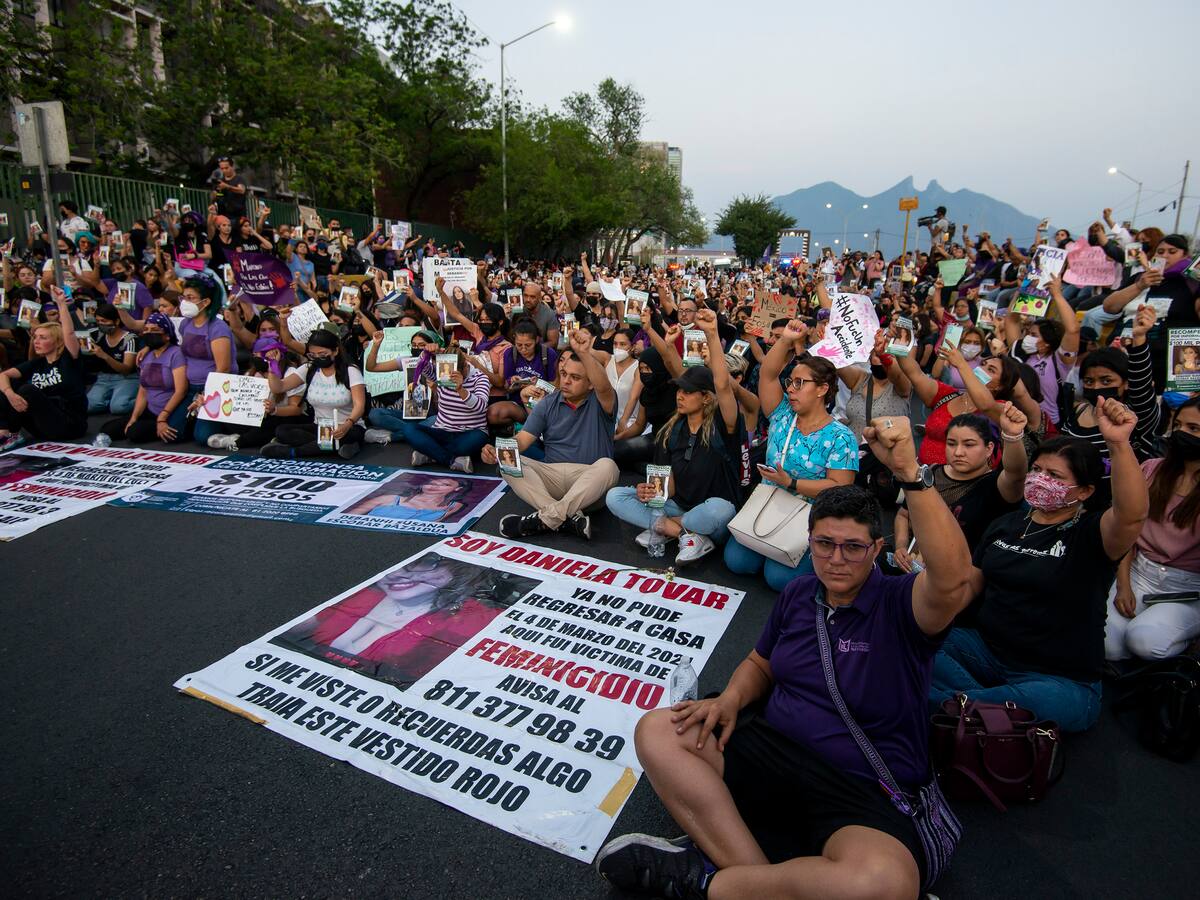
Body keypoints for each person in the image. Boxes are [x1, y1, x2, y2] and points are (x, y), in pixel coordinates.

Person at [596, 421, 975, 900]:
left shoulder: (902, 605)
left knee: (882, 884)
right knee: (657, 730)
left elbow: (952, 578)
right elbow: (760, 662)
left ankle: (711, 880)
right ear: (809, 541)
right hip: (772, 748)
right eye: (824, 544)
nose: (837, 559)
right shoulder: (799, 593)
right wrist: (730, 700)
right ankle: (760, 881)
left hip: (860, 784)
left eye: (853, 547)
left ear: (876, 550)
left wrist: (910, 475)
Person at [930, 400, 1149, 731]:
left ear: (1086, 490)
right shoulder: (1006, 524)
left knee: (1037, 700)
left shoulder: (1091, 535)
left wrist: (1118, 443)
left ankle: (955, 704)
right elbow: (968, 585)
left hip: (1057, 678)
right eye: (1037, 470)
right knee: (914, 643)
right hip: (984, 652)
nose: (1040, 479)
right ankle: (980, 707)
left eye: (1055, 475)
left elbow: (1132, 514)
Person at [724, 319, 859, 591]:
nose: (791, 389)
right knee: (737, 562)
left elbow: (839, 489)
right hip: (768, 504)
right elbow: (768, 375)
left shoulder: (841, 437)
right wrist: (786, 339)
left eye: (800, 383)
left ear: (822, 389)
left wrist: (792, 483)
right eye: (791, 382)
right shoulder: (783, 413)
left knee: (779, 579)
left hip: (809, 515)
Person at [605, 309, 743, 566]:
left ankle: (667, 528)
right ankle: (681, 534)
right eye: (679, 390)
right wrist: (649, 492)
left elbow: (722, 385)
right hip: (678, 506)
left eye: (688, 392)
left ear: (706, 397)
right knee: (616, 497)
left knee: (718, 510)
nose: (680, 396)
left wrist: (712, 334)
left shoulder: (724, 425)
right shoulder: (672, 430)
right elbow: (668, 488)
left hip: (711, 511)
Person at [481, 329, 619, 539]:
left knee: (609, 467)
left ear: (590, 383)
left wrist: (584, 353)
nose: (566, 381)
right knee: (508, 462)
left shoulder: (601, 401)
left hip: (589, 483)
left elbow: (604, 385)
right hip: (552, 475)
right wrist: (496, 451)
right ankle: (563, 518)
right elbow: (523, 441)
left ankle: (543, 519)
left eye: (575, 377)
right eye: (564, 374)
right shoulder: (547, 402)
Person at [1105, 397, 1200, 661]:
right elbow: (1126, 530)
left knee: (1144, 640)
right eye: (1178, 425)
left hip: (1188, 589)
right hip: (1138, 573)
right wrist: (1123, 585)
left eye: (1193, 429)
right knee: (1108, 645)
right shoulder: (1151, 470)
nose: (1181, 433)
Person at [893, 409, 1028, 572]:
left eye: (969, 444)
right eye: (951, 444)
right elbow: (903, 514)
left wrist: (1012, 436)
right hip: (916, 570)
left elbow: (1016, 474)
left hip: (964, 579)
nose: (958, 452)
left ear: (989, 448)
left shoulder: (997, 485)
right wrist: (901, 547)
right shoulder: (931, 474)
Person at [366, 334, 489, 473]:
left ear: (465, 367)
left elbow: (480, 407)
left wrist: (461, 389)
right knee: (409, 430)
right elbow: (421, 366)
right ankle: (451, 460)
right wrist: (426, 352)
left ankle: (429, 453)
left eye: (454, 373)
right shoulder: (442, 372)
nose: (448, 376)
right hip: (442, 430)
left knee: (470, 443)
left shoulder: (480, 378)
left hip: (470, 432)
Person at [0, 288, 87, 450]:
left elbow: (69, 333)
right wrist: (9, 394)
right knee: (6, 387)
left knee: (27, 389)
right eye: (35, 338)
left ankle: (10, 434)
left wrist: (61, 304)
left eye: (43, 338)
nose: (36, 342)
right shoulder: (37, 363)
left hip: (70, 424)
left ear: (57, 341)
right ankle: (6, 433)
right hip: (43, 425)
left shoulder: (69, 358)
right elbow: (3, 375)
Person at [262, 327, 367, 459]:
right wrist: (272, 368)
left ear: (335, 351)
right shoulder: (309, 368)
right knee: (282, 430)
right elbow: (279, 387)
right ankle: (333, 447)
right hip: (321, 427)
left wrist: (348, 424)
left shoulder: (351, 371)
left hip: (349, 426)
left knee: (341, 437)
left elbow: (359, 405)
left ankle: (294, 452)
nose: (317, 358)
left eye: (322, 354)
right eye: (313, 355)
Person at [100, 312, 188, 444]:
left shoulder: (176, 354)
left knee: (135, 433)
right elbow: (143, 391)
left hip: (169, 410)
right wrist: (134, 417)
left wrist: (162, 417)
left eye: (154, 330)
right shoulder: (146, 355)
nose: (149, 333)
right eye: (146, 329)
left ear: (167, 335)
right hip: (150, 409)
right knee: (107, 429)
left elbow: (181, 391)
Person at [177, 276, 234, 445]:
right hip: (191, 388)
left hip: (214, 389)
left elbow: (223, 368)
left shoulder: (218, 328)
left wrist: (205, 395)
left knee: (202, 437)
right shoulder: (185, 324)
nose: (185, 302)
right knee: (174, 433)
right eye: (183, 297)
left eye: (190, 298)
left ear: (206, 302)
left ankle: (225, 424)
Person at [84, 302, 139, 416]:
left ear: (117, 321)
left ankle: (144, 402)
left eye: (104, 321)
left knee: (119, 407)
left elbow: (127, 369)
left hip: (126, 378)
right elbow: (75, 335)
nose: (100, 324)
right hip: (104, 378)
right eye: (98, 321)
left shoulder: (129, 339)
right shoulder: (96, 334)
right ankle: (110, 401)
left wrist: (105, 356)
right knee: (88, 406)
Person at [343, 476, 474, 523]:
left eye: (445, 485)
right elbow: (347, 518)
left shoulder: (453, 506)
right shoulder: (388, 498)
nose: (435, 487)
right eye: (433, 483)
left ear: (457, 489)